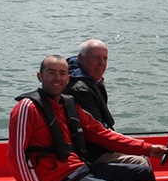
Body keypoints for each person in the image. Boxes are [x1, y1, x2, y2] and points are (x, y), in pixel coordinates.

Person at [8, 55, 167, 181]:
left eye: (62, 73)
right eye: (52, 73)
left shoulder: (69, 107)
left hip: (82, 170)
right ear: (40, 76)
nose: (57, 78)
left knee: (144, 173)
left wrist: (148, 149)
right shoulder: (27, 108)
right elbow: (16, 158)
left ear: (68, 78)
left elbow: (102, 134)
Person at [64, 39, 150, 167]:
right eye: (96, 58)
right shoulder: (79, 89)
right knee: (139, 162)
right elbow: (96, 133)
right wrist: (138, 147)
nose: (101, 63)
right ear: (81, 59)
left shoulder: (90, 80)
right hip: (88, 153)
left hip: (94, 146)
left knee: (141, 154)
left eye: (105, 58)